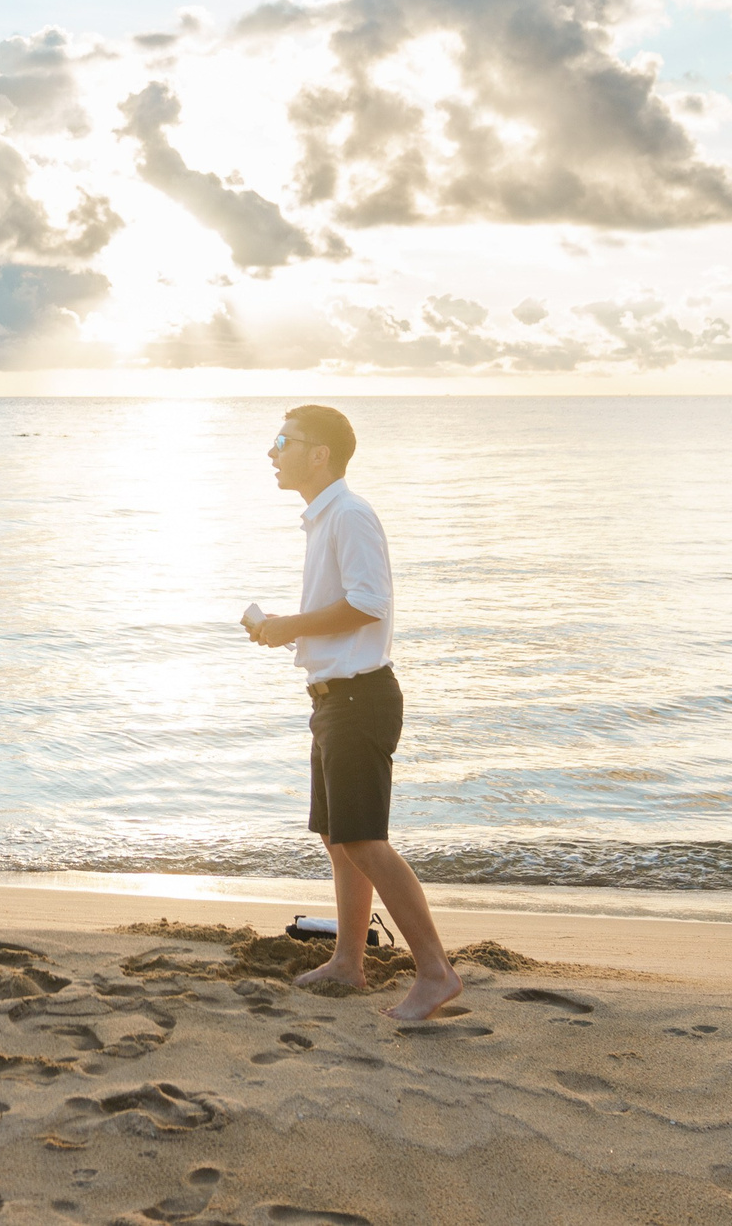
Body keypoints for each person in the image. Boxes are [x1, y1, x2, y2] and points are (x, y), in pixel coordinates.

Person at [244, 405, 461, 1023]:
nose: (272, 451)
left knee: (364, 838)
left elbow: (367, 604)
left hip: (361, 697)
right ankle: (348, 960)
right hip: (333, 697)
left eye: (283, 440)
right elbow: (343, 613)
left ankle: (435, 972)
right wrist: (283, 632)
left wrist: (288, 624)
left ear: (319, 454)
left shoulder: (350, 514)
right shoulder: (323, 519)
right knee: (339, 837)